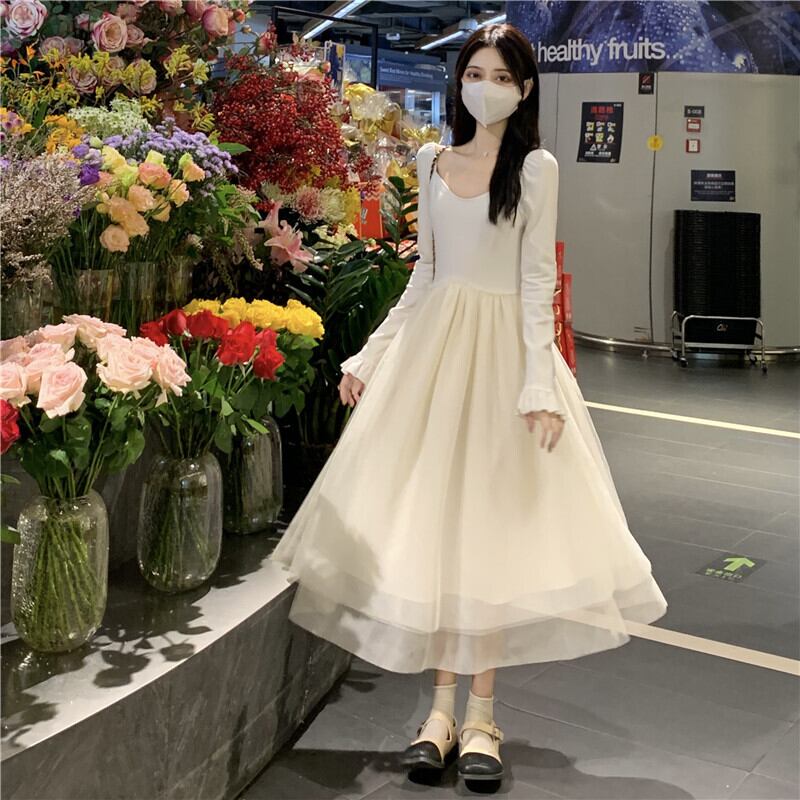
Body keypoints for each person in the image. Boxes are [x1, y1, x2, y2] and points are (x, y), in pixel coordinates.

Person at [268, 22, 668, 786]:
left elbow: (535, 284)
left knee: (488, 535)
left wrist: (538, 384)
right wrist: (371, 355)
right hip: (436, 359)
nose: (486, 87)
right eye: (475, 73)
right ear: (459, 82)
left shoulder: (537, 169)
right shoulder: (430, 160)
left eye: (501, 77)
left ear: (525, 89)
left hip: (502, 365)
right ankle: (439, 713)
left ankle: (482, 717)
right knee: (437, 529)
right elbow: (425, 275)